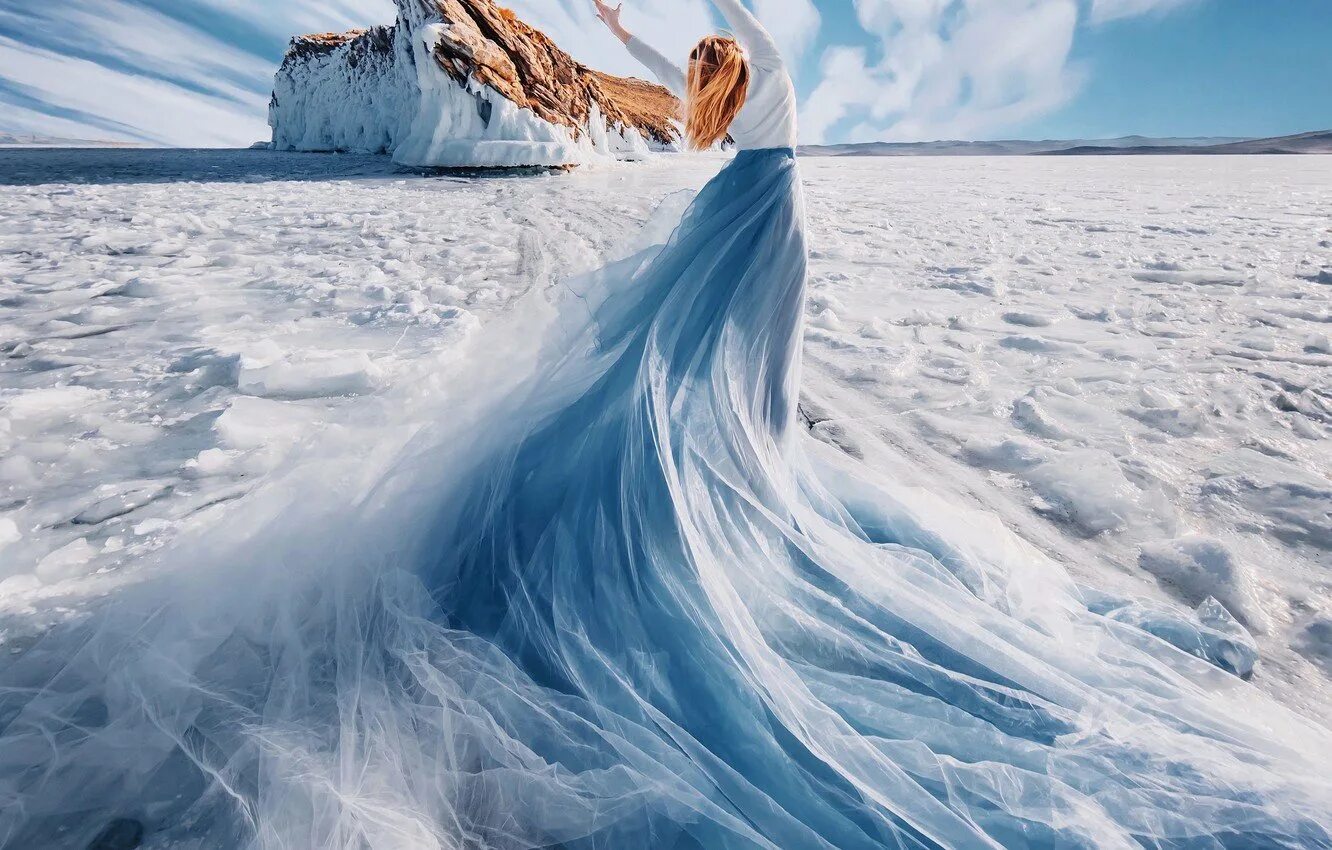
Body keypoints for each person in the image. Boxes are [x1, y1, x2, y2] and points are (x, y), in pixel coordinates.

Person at [2, 1, 1330, 848]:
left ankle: (737, 476)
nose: (715, 54)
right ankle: (748, 474)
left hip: (741, 225)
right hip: (769, 231)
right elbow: (710, 43)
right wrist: (630, 29)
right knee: (735, 383)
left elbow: (680, 52)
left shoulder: (732, 84)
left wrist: (617, 26)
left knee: (687, 378)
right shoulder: (767, 83)